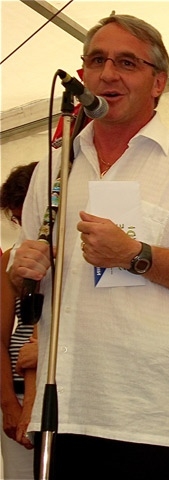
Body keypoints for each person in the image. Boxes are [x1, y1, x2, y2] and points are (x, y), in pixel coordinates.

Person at [8, 14, 169, 479]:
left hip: (146, 420)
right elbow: (25, 268)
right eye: (97, 61)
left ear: (159, 82)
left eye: (126, 63)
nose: (108, 74)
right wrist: (22, 265)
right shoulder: (56, 165)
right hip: (62, 411)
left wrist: (135, 255)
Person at [1, 161, 39, 480]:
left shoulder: (86, 255)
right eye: (17, 218)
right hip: (19, 389)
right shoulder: (10, 259)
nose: (24, 224)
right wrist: (10, 405)